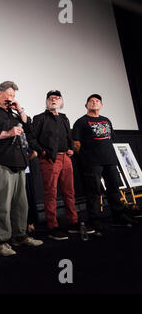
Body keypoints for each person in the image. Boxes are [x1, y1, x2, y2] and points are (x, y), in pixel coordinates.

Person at [0, 81, 43, 257]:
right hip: (1, 163)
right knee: (2, 205)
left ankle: (20, 236)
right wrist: (8, 133)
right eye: (9, 95)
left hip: (20, 163)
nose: (11, 98)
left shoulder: (15, 114)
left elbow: (29, 128)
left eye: (14, 96)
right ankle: (1, 241)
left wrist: (20, 109)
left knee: (21, 204)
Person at [31, 90, 94, 240]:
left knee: (69, 192)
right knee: (51, 193)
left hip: (66, 158)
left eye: (57, 98)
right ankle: (53, 227)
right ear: (47, 102)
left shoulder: (64, 118)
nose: (54, 100)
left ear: (61, 102)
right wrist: (43, 153)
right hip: (50, 160)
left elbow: (68, 136)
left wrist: (71, 147)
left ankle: (73, 223)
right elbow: (32, 139)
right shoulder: (39, 118)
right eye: (51, 98)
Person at [72, 94, 138, 234]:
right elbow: (76, 143)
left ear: (101, 105)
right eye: (91, 101)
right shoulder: (81, 122)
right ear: (86, 106)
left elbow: (110, 139)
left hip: (110, 160)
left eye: (97, 101)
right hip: (92, 163)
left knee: (114, 188)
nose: (94, 103)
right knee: (94, 191)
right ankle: (95, 219)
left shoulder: (106, 120)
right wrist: (86, 158)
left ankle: (118, 215)